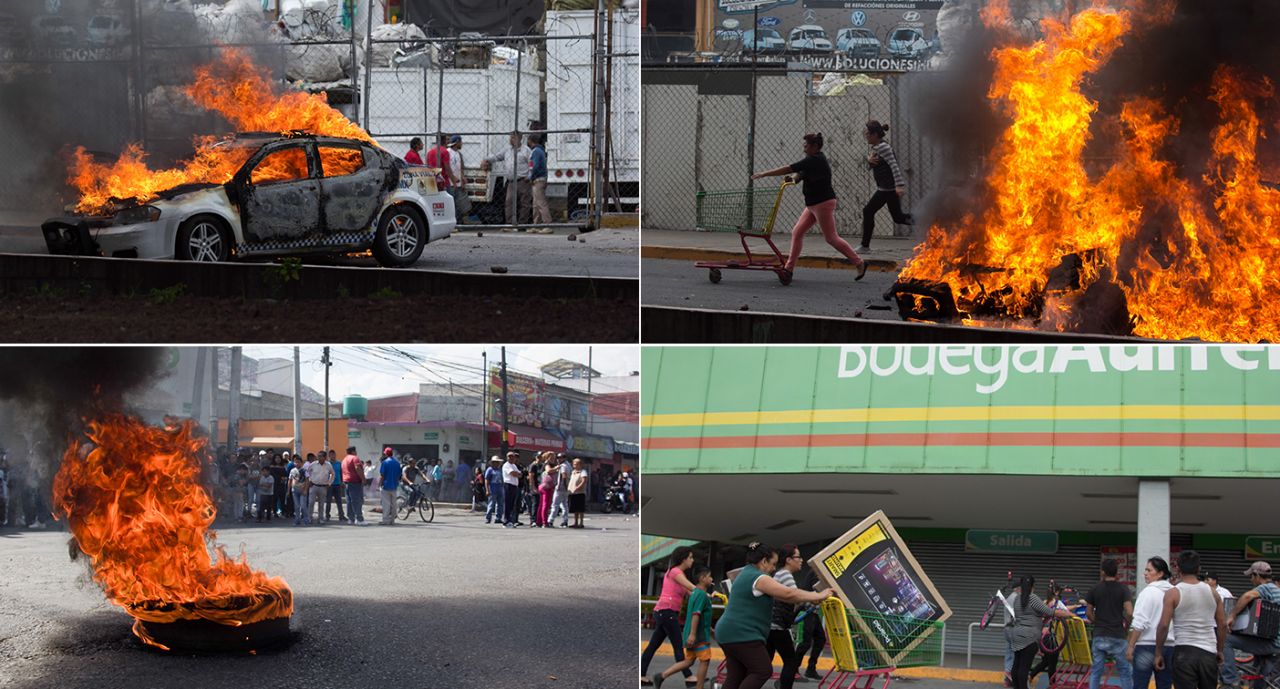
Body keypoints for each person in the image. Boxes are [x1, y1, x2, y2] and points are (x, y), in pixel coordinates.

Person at [750, 133, 867, 280]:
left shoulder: (816, 159)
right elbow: (800, 174)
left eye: (806, 146)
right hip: (812, 204)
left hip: (822, 203)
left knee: (831, 238)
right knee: (797, 232)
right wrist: (792, 179)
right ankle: (789, 269)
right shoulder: (812, 160)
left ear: (815, 146)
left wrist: (764, 174)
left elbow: (789, 168)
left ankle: (859, 262)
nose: (804, 149)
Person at [714, 543, 832, 689]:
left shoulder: (746, 572)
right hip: (742, 634)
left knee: (736, 675)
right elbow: (790, 593)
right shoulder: (759, 578)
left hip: (728, 632)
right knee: (762, 671)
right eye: (773, 564)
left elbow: (785, 597)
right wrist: (817, 595)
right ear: (763, 561)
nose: (774, 569)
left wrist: (811, 598)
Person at [1154, 550, 1229, 689]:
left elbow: (1163, 625)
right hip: (1208, 652)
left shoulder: (1173, 593)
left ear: (1177, 568)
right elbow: (1223, 624)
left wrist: (1158, 653)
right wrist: (1220, 650)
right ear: (1199, 568)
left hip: (1184, 653)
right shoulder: (1213, 593)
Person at [1006, 575, 1077, 689]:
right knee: (1024, 667)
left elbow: (1027, 614)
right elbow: (1050, 612)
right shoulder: (1032, 598)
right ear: (1033, 585)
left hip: (1017, 634)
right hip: (1029, 637)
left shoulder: (1017, 599)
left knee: (1017, 666)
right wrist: (1069, 614)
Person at [640, 547, 698, 686]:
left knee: (653, 646)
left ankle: (641, 674)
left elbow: (692, 593)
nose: (692, 560)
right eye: (690, 557)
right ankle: (689, 677)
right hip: (667, 612)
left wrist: (707, 597)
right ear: (683, 559)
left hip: (664, 612)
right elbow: (693, 589)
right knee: (677, 645)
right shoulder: (675, 572)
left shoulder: (679, 575)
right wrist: (704, 592)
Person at [653, 565, 717, 689]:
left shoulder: (694, 594)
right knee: (705, 660)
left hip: (692, 634)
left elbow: (700, 616)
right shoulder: (702, 595)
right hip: (698, 636)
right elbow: (696, 614)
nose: (711, 579)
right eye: (709, 576)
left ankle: (662, 675)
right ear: (702, 578)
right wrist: (693, 634)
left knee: (689, 661)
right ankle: (699, 687)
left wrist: (709, 630)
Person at [1222, 562, 1280, 689]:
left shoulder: (1266, 588)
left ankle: (1230, 679)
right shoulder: (1276, 590)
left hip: (1272, 643)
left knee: (1226, 640)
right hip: (1274, 643)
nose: (1251, 579)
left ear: (1257, 575)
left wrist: (1232, 615)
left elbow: (1247, 596)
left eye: (1251, 576)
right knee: (1261, 679)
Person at [860, 120, 913, 250]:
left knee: (868, 211)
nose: (866, 136)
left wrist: (899, 185)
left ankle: (864, 246)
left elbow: (894, 166)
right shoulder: (878, 147)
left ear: (874, 135)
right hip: (886, 188)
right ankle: (926, 219)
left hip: (887, 189)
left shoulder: (884, 147)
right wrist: (869, 160)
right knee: (898, 217)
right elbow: (876, 164)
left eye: (867, 134)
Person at [1127, 556, 1176, 689]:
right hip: (1170, 646)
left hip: (1146, 645)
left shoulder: (1148, 592)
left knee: (1140, 685)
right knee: (1165, 685)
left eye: (1149, 570)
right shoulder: (1175, 592)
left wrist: (1131, 646)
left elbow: (1139, 622)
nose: (1145, 573)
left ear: (1160, 573)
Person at [1087, 559, 1134, 689]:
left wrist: (1098, 622)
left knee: (1096, 671)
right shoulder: (1123, 589)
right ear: (1117, 572)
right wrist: (1126, 625)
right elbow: (1130, 612)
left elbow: (1088, 613)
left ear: (1103, 572)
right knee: (1124, 671)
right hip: (1118, 635)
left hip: (1100, 634)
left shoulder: (1095, 589)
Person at [766, 544, 807, 689]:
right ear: (789, 560)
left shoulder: (779, 574)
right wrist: (815, 596)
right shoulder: (785, 575)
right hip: (778, 626)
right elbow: (795, 596)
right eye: (798, 557)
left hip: (771, 625)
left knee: (764, 665)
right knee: (791, 661)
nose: (801, 560)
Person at [481, 131, 532, 228]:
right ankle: (509, 224)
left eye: (513, 138)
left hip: (523, 181)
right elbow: (497, 157)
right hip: (511, 182)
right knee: (509, 202)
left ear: (519, 139)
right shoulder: (507, 150)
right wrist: (486, 159)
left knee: (524, 204)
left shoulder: (526, 150)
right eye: (510, 137)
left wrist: (529, 176)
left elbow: (531, 164)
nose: (510, 139)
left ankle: (522, 224)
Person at [447, 135, 472, 222]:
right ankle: (452, 222)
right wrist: (453, 178)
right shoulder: (448, 152)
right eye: (461, 142)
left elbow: (459, 167)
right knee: (451, 204)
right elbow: (447, 167)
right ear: (457, 142)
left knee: (459, 203)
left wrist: (462, 177)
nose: (462, 144)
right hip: (450, 183)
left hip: (457, 183)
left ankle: (458, 221)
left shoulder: (458, 153)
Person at [529, 134, 552, 226]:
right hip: (539, 178)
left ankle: (547, 223)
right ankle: (536, 223)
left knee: (541, 202)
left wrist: (531, 177)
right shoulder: (539, 150)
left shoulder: (536, 151)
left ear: (530, 141)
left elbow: (535, 166)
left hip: (538, 179)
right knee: (536, 203)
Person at [341, 446, 366, 526]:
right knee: (356, 501)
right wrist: (363, 479)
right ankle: (359, 519)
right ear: (353, 451)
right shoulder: (355, 458)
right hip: (355, 482)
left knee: (349, 501)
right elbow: (358, 468)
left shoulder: (344, 460)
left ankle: (351, 519)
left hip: (347, 482)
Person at [307, 451, 333, 523]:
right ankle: (309, 518)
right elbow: (307, 472)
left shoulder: (328, 465)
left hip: (323, 487)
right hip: (313, 486)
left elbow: (332, 474)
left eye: (321, 456)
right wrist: (309, 480)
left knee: (321, 504)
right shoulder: (313, 464)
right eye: (318, 456)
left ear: (325, 457)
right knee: (311, 503)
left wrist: (329, 482)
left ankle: (320, 518)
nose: (319, 457)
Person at [378, 448, 402, 525]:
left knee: (386, 504)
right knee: (394, 504)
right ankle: (392, 520)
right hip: (394, 486)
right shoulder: (397, 463)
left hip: (386, 486)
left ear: (386, 454)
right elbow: (399, 475)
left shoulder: (385, 462)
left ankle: (385, 520)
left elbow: (382, 475)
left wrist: (379, 484)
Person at [548, 452, 571, 528]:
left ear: (564, 458)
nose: (558, 459)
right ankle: (565, 521)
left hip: (561, 488)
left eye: (560, 458)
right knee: (564, 505)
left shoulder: (563, 466)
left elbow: (564, 476)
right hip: (566, 488)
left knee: (555, 505)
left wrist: (564, 486)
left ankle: (550, 521)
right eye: (558, 458)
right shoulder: (569, 465)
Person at [501, 451, 522, 528]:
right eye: (509, 456)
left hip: (514, 486)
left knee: (512, 504)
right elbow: (513, 473)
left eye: (512, 456)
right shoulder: (506, 465)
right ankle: (506, 521)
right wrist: (517, 474)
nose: (511, 458)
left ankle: (510, 520)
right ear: (507, 457)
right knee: (507, 504)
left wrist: (517, 473)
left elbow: (520, 474)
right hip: (508, 485)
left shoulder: (514, 465)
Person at [325, 449, 346, 523]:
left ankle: (341, 515)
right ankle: (327, 515)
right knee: (328, 501)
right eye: (331, 455)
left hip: (338, 484)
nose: (332, 456)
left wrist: (342, 482)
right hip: (329, 485)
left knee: (339, 501)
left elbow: (341, 473)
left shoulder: (339, 463)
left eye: (333, 454)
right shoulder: (327, 464)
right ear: (329, 456)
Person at [568, 457, 588, 529]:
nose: (575, 465)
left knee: (580, 509)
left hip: (580, 492)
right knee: (575, 509)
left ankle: (581, 523)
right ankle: (575, 522)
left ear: (580, 464)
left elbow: (584, 481)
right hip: (573, 492)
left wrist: (578, 487)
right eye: (574, 464)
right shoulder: (573, 472)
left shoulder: (583, 472)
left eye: (576, 464)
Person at [484, 456, 505, 524]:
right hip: (492, 489)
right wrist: (487, 490)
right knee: (491, 504)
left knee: (500, 504)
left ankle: (498, 518)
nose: (496, 463)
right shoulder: (490, 470)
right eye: (495, 462)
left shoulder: (500, 470)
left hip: (500, 488)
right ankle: (488, 518)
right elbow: (486, 480)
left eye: (497, 462)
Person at [289, 459, 310, 526]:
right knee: (297, 506)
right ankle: (297, 520)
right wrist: (288, 490)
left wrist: (306, 490)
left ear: (301, 463)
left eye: (298, 462)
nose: (297, 463)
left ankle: (306, 520)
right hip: (294, 491)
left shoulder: (304, 471)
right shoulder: (292, 470)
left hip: (302, 490)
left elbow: (307, 480)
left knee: (303, 506)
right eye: (295, 462)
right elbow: (290, 480)